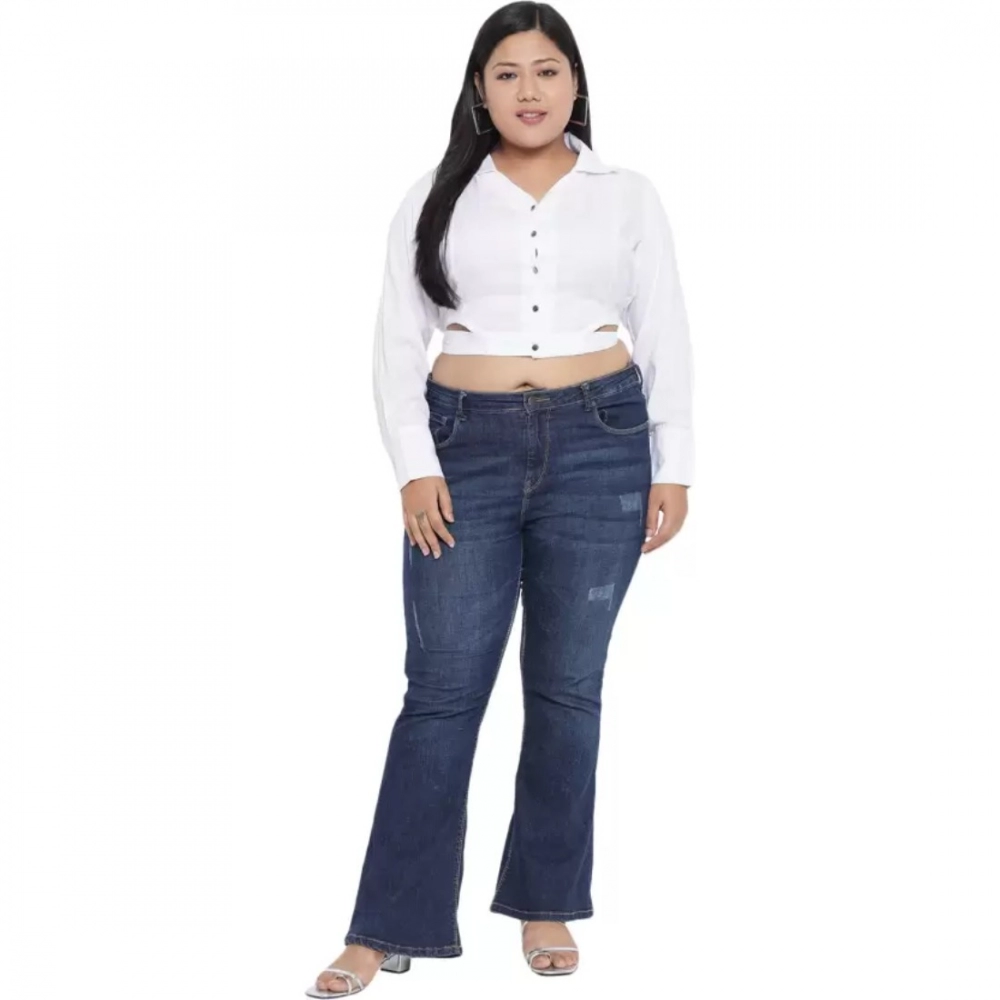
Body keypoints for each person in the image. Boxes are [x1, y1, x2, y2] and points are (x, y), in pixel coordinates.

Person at [307, 4, 693, 995]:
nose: (530, 90)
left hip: (601, 448)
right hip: (462, 451)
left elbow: (664, 329)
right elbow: (398, 339)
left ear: (576, 84)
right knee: (440, 692)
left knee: (567, 687)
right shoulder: (436, 196)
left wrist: (673, 463)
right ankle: (388, 924)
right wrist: (413, 464)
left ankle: (544, 900)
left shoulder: (626, 195)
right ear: (480, 89)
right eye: (508, 73)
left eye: (548, 70)